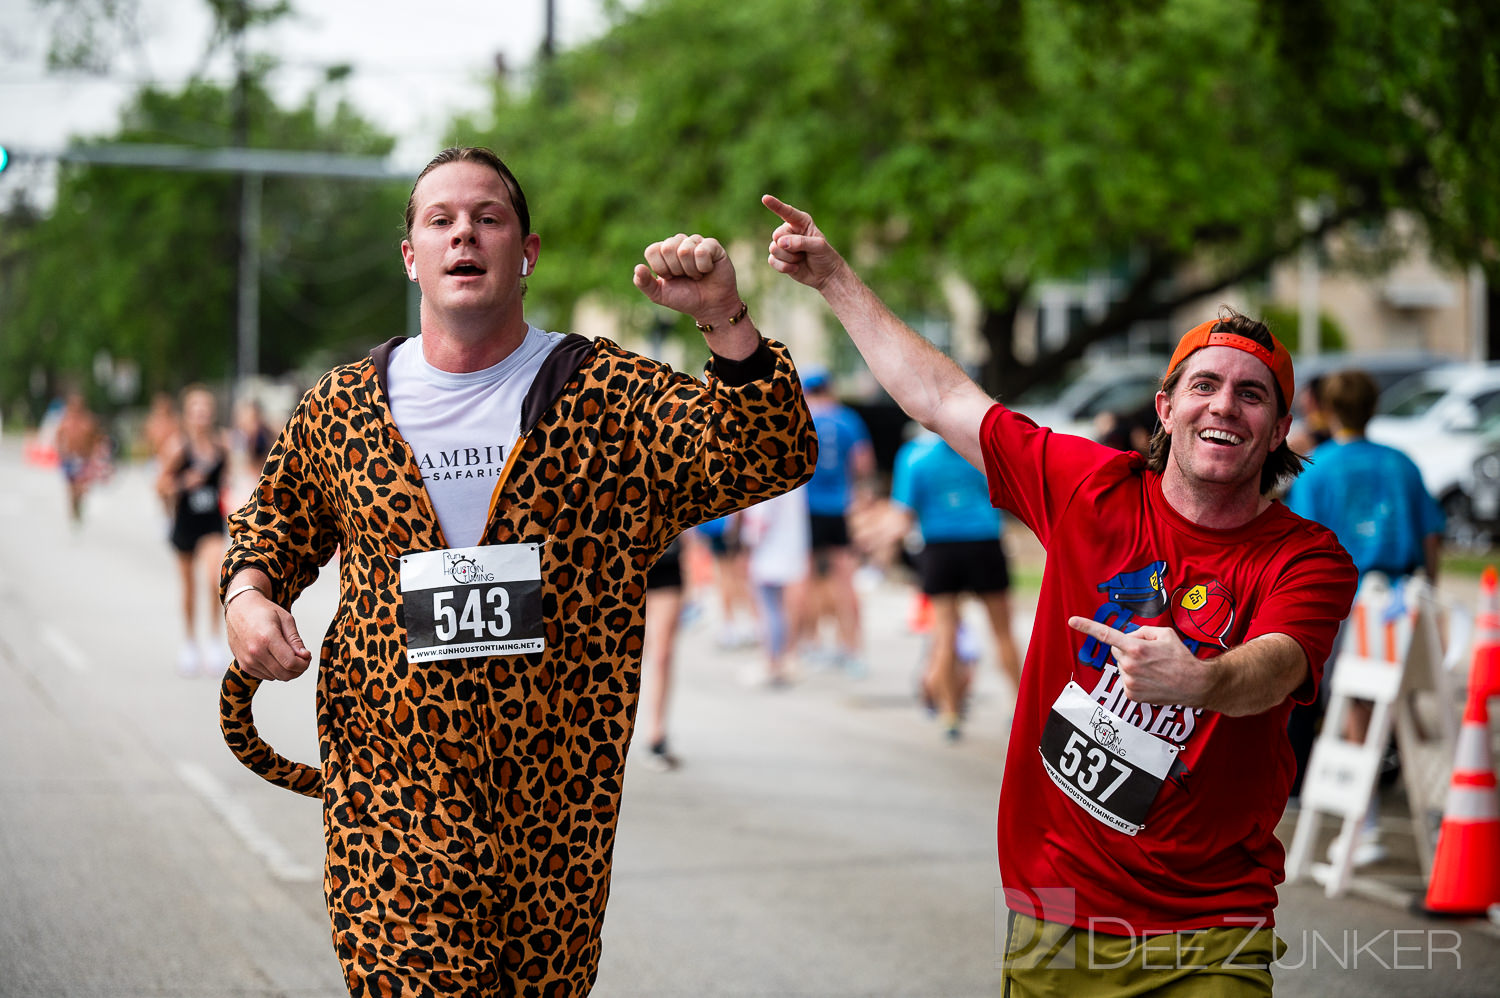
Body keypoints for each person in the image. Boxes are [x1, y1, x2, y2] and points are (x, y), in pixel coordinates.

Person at [218, 147, 817, 997]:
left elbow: (768, 452)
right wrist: (247, 597)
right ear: (412, 257)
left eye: (488, 218)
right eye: (441, 220)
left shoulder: (603, 392)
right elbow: (272, 523)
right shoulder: (345, 406)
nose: (464, 234)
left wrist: (724, 319)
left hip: (559, 810)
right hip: (394, 792)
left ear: (526, 252)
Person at [763, 195, 1357, 993]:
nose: (1224, 405)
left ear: (1279, 428)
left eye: (1253, 395)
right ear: (1166, 408)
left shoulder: (1307, 557)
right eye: (1205, 385)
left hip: (1214, 922)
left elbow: (1279, 665)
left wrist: (1200, 679)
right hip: (1057, 907)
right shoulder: (1091, 489)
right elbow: (941, 397)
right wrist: (834, 278)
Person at [1283, 368, 1444, 861]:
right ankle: (1438, 806)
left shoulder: (1320, 468)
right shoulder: (1401, 463)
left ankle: (1365, 824)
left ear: (1327, 409)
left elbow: (1303, 543)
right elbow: (1431, 535)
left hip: (1350, 603)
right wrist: (1430, 588)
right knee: (1411, 705)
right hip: (1403, 597)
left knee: (1356, 707)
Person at [889, 427, 1023, 740]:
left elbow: (904, 514)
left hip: (940, 548)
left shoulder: (914, 456)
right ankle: (1019, 705)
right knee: (1002, 631)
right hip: (984, 541)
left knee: (945, 633)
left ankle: (949, 715)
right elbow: (1005, 498)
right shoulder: (979, 453)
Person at [798, 367, 875, 672]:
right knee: (845, 579)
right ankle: (852, 648)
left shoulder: (801, 419)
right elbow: (863, 463)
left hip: (808, 509)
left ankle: (812, 643)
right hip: (839, 507)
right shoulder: (848, 419)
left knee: (807, 578)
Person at [158, 385, 233, 677]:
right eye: (195, 410)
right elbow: (160, 485)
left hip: (211, 522)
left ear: (211, 414)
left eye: (205, 409)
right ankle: (190, 643)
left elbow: (226, 480)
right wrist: (182, 483)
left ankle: (214, 641)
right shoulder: (177, 447)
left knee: (215, 577)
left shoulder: (221, 446)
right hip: (185, 522)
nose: (201, 415)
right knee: (189, 586)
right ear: (187, 415)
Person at [742, 484, 811, 687]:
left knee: (770, 608)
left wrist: (747, 542)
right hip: (789, 549)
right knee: (780, 609)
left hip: (769, 551)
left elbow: (760, 518)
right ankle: (784, 658)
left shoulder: (766, 478)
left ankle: (772, 662)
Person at [640, 536, 688, 770]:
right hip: (623, 563)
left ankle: (656, 735)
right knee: (627, 656)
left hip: (666, 560)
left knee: (662, 654)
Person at [55, 391, 107, 524]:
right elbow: (58, 436)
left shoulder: (88, 421)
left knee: (80, 487)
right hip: (69, 458)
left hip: (84, 459)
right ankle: (74, 508)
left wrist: (96, 454)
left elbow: (97, 438)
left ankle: (78, 506)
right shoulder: (65, 420)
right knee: (71, 488)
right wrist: (61, 452)